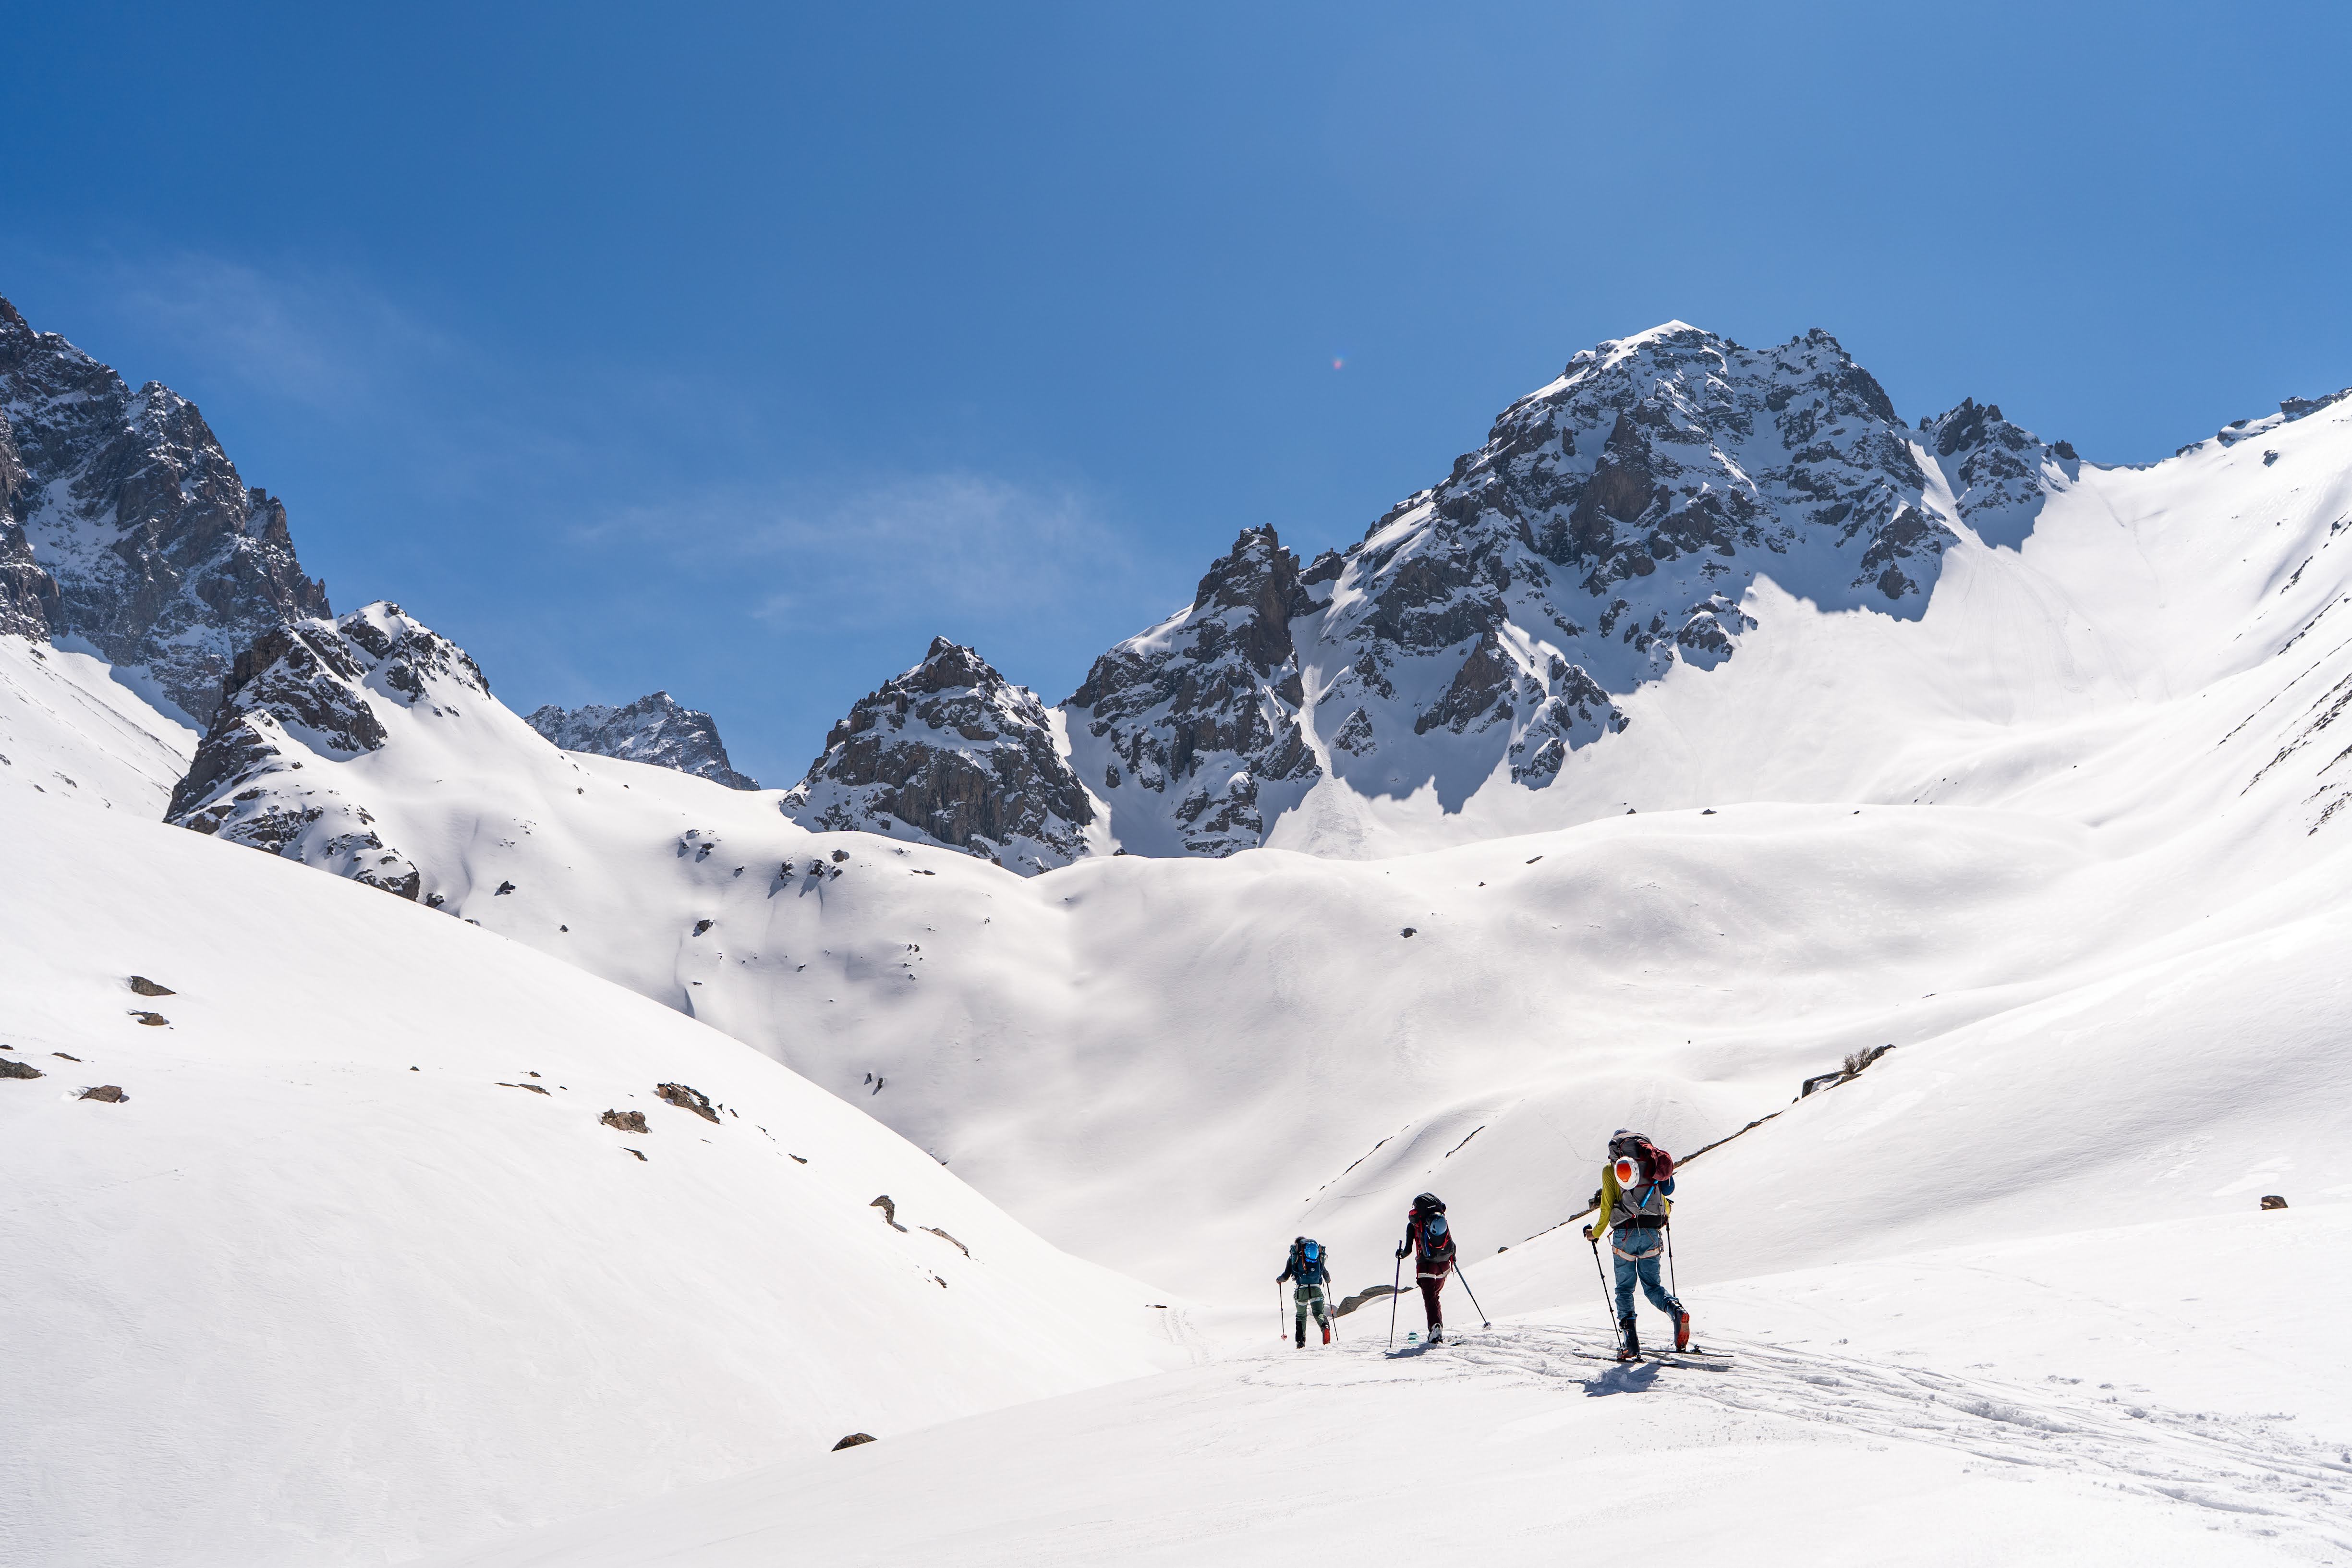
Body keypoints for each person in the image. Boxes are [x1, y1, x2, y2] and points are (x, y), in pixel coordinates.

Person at [1584, 1129, 1689, 1360]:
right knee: (1652, 1287)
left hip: (1624, 1235)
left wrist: (1596, 1234)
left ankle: (1630, 1343)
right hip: (1651, 1233)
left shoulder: (1611, 1170)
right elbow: (1663, 1201)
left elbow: (1606, 1207)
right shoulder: (1652, 1166)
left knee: (1624, 1289)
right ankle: (1676, 1311)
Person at [1395, 1192, 1456, 1345]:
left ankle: (1435, 1329)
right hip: (1444, 1265)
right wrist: (1452, 1257)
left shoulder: (1413, 1226)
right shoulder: (1441, 1220)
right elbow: (1450, 1242)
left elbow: (1408, 1251)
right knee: (1435, 1296)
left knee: (1430, 1298)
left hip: (1425, 1266)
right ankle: (1437, 1328)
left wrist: (1400, 1255)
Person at [1278, 1236, 1333, 1347]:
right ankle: (1325, 1326)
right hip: (1316, 1289)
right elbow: (1326, 1275)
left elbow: (1285, 1276)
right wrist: (1327, 1280)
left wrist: (1279, 1280)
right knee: (1318, 1314)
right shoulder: (1317, 1258)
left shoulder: (1294, 1257)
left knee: (1301, 1316)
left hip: (1301, 1290)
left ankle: (1300, 1342)